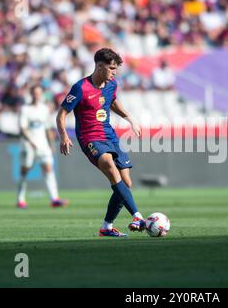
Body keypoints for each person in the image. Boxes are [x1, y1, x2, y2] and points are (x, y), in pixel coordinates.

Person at [56, 48, 145, 237]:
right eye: (112, 68)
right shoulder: (80, 88)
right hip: (90, 138)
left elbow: (112, 102)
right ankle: (138, 216)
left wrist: (130, 118)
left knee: (125, 184)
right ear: (99, 66)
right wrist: (64, 135)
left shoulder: (112, 84)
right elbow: (62, 113)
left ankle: (106, 227)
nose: (114, 72)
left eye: (116, 68)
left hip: (109, 135)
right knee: (109, 165)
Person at [16, 85, 68, 209]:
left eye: (39, 93)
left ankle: (54, 199)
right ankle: (20, 199)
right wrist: (31, 142)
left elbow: (47, 128)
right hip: (28, 145)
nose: (37, 95)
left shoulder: (44, 109)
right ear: (31, 94)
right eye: (35, 93)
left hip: (43, 145)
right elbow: (22, 129)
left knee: (49, 169)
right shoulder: (25, 109)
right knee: (25, 171)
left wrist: (51, 144)